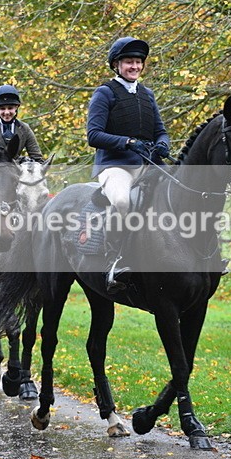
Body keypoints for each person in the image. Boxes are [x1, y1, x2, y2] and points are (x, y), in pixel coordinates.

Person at [86, 36, 171, 294]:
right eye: (128, 62)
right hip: (115, 166)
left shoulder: (147, 94)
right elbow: (93, 135)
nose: (134, 66)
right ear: (116, 65)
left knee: (183, 192)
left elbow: (160, 130)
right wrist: (127, 142)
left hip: (146, 165)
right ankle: (115, 260)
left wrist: (163, 143)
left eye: (138, 62)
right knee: (122, 201)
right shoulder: (105, 93)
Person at [0, 85, 43, 161]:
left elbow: (37, 157)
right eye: (2, 109)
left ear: (16, 107)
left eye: (10, 108)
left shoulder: (25, 128)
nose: (6, 112)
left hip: (17, 170)